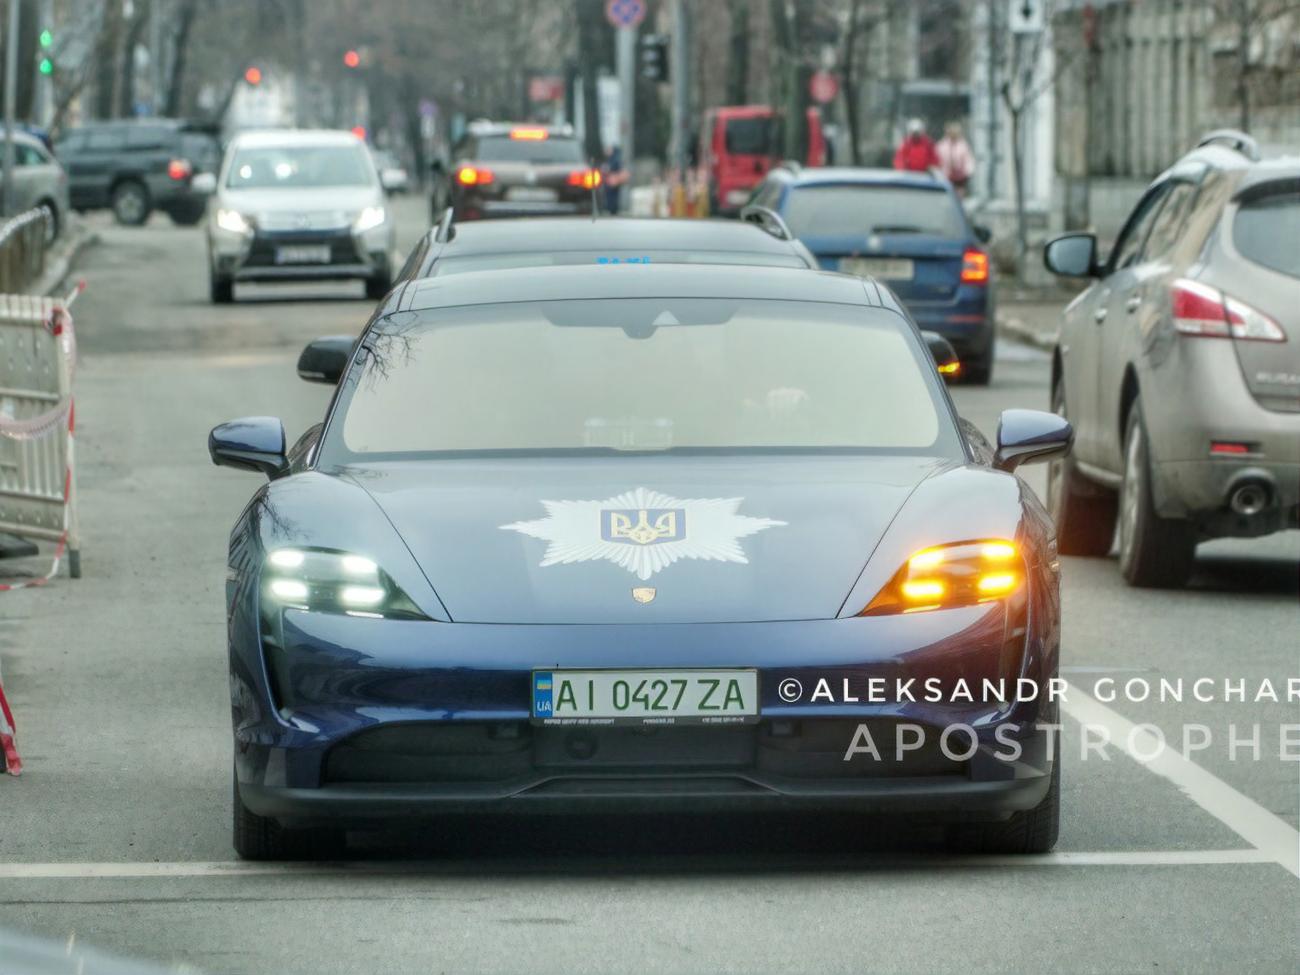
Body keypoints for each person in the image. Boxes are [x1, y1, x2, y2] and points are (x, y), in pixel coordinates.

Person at [936, 121, 976, 196]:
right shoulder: (941, 145)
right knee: (948, 195)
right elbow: (938, 159)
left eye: (955, 133)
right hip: (946, 175)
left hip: (960, 176)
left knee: (959, 195)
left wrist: (969, 171)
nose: (953, 135)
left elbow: (968, 159)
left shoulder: (962, 145)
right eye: (951, 133)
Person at [601, 144, 629, 213]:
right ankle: (611, 208)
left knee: (612, 197)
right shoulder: (611, 159)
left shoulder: (615, 159)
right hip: (611, 182)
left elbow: (615, 169)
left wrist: (607, 169)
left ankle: (612, 209)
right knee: (610, 197)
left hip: (613, 182)